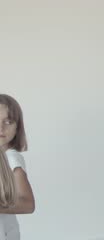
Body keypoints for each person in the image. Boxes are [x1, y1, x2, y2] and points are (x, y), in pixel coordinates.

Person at [0, 94, 35, 240]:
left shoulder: (11, 158)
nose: (1, 128)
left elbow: (28, 204)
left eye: (8, 121)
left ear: (17, 127)